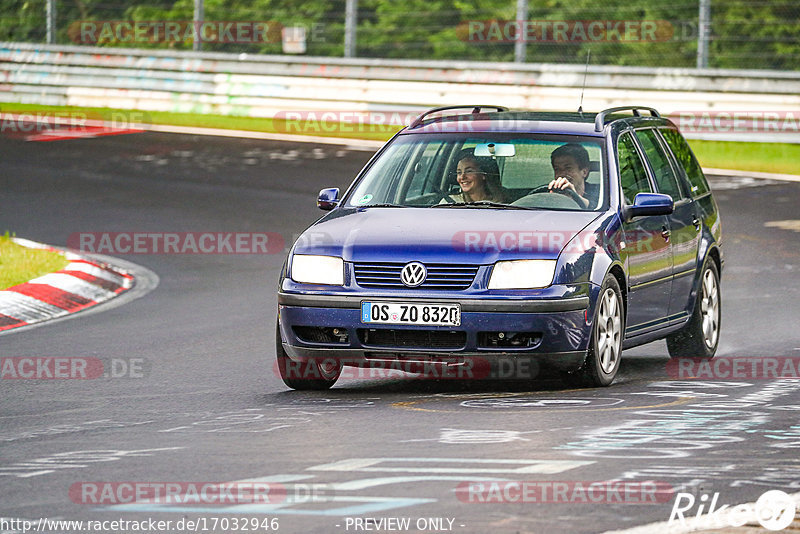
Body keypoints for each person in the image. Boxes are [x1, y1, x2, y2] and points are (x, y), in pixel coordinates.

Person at [548, 143, 595, 208]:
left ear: (584, 172)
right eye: (557, 169)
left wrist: (574, 196)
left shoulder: (598, 192)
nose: (561, 174)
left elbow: (596, 208)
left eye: (568, 168)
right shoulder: (549, 191)